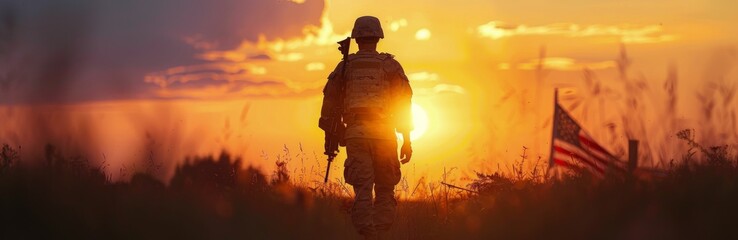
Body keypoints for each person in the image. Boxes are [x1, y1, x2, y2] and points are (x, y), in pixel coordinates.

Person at [319, 16, 414, 239]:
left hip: (356, 134)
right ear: (378, 37)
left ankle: (367, 234)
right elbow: (403, 103)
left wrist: (333, 134)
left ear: (357, 37)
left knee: (362, 190)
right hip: (384, 134)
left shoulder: (345, 66)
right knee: (385, 188)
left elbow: (329, 103)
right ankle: (379, 233)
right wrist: (407, 140)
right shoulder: (390, 65)